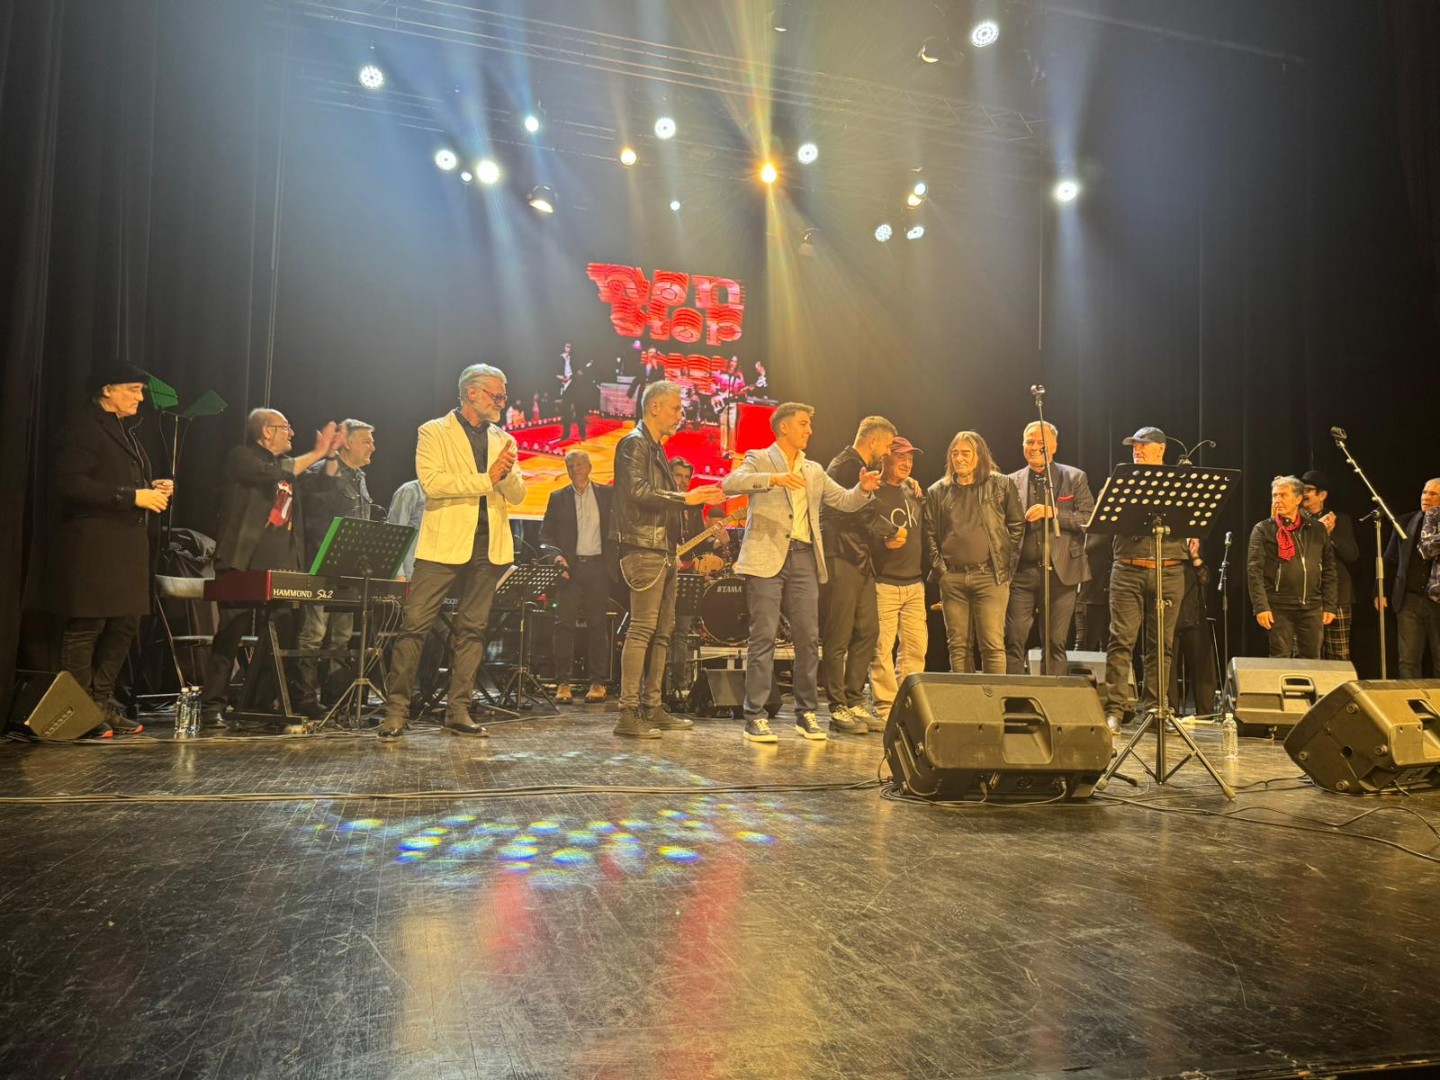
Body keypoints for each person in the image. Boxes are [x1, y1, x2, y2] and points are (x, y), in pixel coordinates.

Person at [377, 364, 526, 740]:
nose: (502, 402)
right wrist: (487, 478)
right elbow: (433, 483)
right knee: (415, 626)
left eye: (504, 396)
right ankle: (396, 711)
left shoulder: (503, 439)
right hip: (442, 543)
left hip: (487, 545)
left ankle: (459, 710)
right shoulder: (433, 431)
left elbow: (519, 494)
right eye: (497, 395)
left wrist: (505, 475)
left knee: (473, 630)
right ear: (472, 393)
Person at [721, 402, 881, 743]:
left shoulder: (813, 469)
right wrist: (773, 479)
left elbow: (844, 501)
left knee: (808, 637)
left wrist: (863, 489)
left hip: (804, 557)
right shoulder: (760, 458)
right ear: (784, 427)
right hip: (767, 556)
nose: (810, 430)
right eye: (804, 424)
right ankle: (755, 716)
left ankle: (806, 712)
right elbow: (731, 483)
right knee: (763, 636)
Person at [48, 365, 172, 737]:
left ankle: (101, 703)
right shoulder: (83, 426)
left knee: (125, 625)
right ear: (107, 389)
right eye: (133, 389)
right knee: (88, 626)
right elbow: (70, 484)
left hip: (127, 545)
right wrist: (133, 496)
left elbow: (117, 479)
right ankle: (79, 711)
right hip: (94, 544)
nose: (140, 397)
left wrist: (151, 487)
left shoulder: (123, 430)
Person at [202, 409, 344, 726]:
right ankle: (212, 705)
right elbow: (271, 474)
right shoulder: (242, 457)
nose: (292, 433)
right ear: (267, 431)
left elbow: (324, 488)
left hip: (283, 564)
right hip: (242, 562)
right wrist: (317, 452)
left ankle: (265, 701)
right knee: (230, 633)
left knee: (282, 637)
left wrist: (330, 456)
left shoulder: (290, 468)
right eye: (286, 427)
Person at [611, 380, 727, 737]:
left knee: (663, 633)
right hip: (644, 548)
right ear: (655, 407)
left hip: (664, 550)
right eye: (676, 408)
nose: (681, 414)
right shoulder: (634, 443)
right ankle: (628, 712)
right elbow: (637, 491)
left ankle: (653, 706)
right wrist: (686, 499)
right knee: (643, 629)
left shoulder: (655, 447)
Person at [1101, 427, 1194, 734]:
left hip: (1169, 570)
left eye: (1143, 445)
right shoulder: (1121, 480)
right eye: (1134, 446)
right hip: (1128, 570)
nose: (1137, 450)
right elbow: (1103, 518)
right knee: (1121, 640)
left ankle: (1155, 709)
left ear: (1161, 449)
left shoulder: (1180, 484)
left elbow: (1195, 520)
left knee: (1162, 645)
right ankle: (1115, 710)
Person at [820, 416, 900, 734]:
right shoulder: (844, 466)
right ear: (872, 441)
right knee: (839, 634)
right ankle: (837, 706)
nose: (889, 452)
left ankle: (854, 700)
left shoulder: (862, 467)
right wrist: (891, 531)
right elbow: (858, 511)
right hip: (841, 555)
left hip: (861, 559)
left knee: (868, 629)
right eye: (887, 445)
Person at [924, 430, 1024, 675]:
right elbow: (929, 533)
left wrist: (1004, 566)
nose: (959, 458)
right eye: (954, 453)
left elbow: (1017, 526)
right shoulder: (937, 491)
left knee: (992, 645)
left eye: (965, 453)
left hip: (990, 577)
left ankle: (993, 698)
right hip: (953, 578)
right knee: (958, 646)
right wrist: (942, 570)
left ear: (979, 456)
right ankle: (964, 698)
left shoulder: (1001, 484)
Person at [294, 419, 376, 713]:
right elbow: (313, 519)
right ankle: (304, 699)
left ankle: (336, 698)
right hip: (321, 566)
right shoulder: (321, 472)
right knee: (314, 633)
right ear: (347, 442)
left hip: (350, 570)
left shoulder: (359, 477)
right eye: (367, 441)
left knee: (341, 637)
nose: (373, 447)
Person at [1004, 421, 1094, 676]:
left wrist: (1054, 513)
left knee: (1055, 643)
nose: (1034, 447)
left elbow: (1088, 519)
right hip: (1021, 573)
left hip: (1061, 573)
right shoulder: (1010, 482)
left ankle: (1053, 696)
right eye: (1029, 442)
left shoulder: (1074, 477)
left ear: (1054, 446)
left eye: (1040, 442)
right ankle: (1014, 695)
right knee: (1014, 640)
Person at [539, 449, 616, 704]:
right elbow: (545, 535)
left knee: (598, 626)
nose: (576, 469)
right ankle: (563, 682)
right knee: (564, 625)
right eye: (571, 466)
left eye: (581, 464)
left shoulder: (607, 495)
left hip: (598, 569)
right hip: (568, 570)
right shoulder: (557, 498)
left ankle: (598, 682)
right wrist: (556, 558)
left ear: (590, 467)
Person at [868, 437, 928, 727]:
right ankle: (885, 706)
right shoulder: (873, 491)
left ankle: (907, 705)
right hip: (885, 583)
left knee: (915, 649)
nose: (907, 463)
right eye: (900, 457)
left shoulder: (912, 490)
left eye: (910, 459)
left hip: (914, 584)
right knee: (882, 650)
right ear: (885, 458)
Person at [1246, 475, 1337, 658]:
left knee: (1311, 659)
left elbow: (1329, 568)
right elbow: (1254, 571)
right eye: (1274, 495)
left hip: (1311, 606)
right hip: (1279, 606)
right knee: (1281, 658)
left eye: (1283, 495)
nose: (1277, 500)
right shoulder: (1264, 529)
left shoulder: (1316, 529)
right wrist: (1261, 607)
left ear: (1298, 499)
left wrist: (1330, 605)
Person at [1378, 478, 1440, 677]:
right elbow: (1389, 560)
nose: (1426, 497)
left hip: (1437, 601)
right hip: (1409, 599)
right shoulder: (1405, 522)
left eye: (1433, 494)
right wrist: (1380, 591)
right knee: (1408, 660)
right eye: (1424, 492)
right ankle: (1412, 696)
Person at [1300, 470, 1360, 662]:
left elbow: (1352, 555)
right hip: (1305, 596)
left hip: (1338, 596)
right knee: (1306, 656)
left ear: (1322, 495)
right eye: (1301, 490)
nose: (1303, 494)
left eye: (1308, 490)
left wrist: (1330, 534)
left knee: (1338, 656)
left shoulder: (1340, 519)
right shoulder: (1295, 520)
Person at [388, 479, 425, 580]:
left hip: (435, 570)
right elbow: (395, 533)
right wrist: (398, 573)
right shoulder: (410, 490)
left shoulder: (450, 493)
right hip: (410, 572)